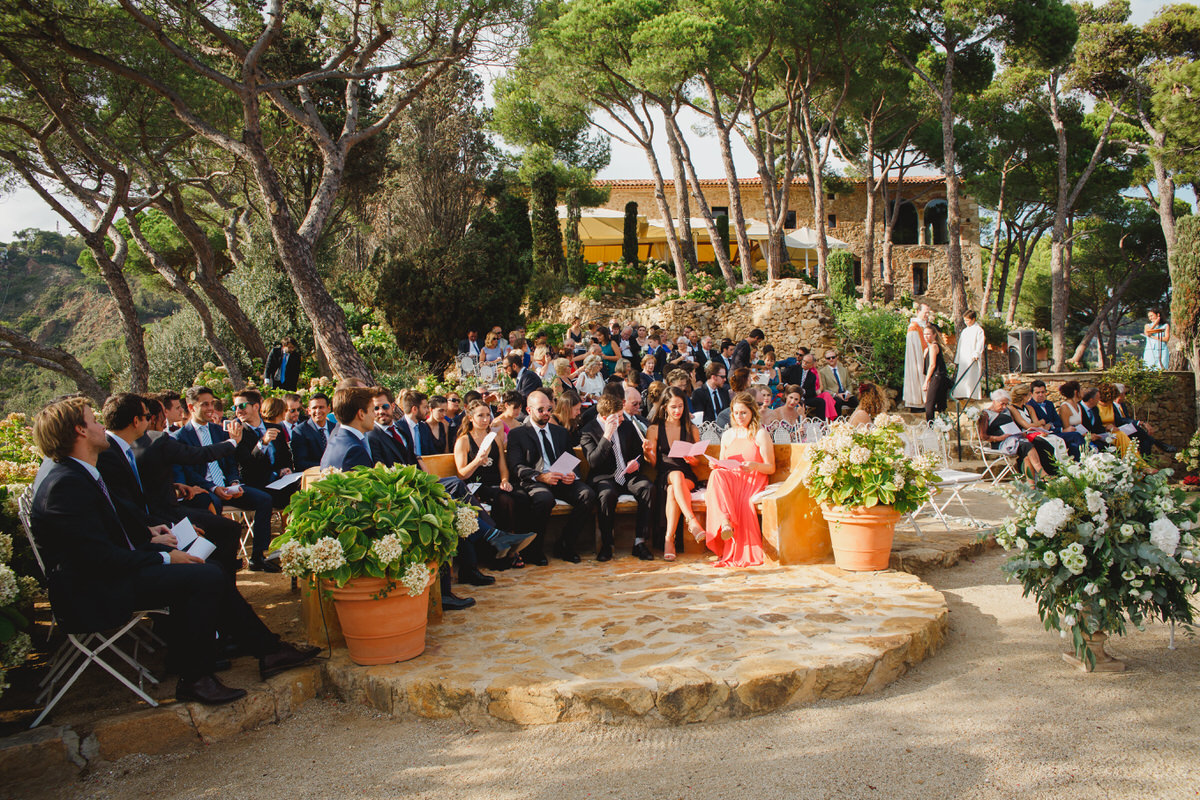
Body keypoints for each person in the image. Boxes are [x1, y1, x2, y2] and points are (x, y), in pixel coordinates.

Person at [30, 397, 319, 705]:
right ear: (80, 431)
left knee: (209, 570)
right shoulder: (66, 485)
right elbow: (97, 559)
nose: (102, 426)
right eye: (94, 420)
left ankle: (265, 651)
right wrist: (165, 557)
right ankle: (197, 676)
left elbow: (99, 535)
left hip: (105, 575)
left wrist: (150, 533)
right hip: (93, 593)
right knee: (204, 575)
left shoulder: (75, 472)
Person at [173, 387, 279, 572]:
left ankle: (258, 556)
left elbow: (231, 463)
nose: (210, 408)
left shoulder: (219, 431)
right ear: (191, 407)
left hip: (227, 486)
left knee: (264, 499)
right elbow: (189, 472)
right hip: (204, 490)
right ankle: (222, 559)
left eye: (212, 403)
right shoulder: (180, 437)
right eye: (204, 404)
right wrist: (213, 488)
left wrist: (234, 482)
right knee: (213, 504)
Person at [505, 389, 598, 564]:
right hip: (535, 481)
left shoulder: (560, 432)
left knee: (587, 495)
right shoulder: (518, 434)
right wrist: (540, 476)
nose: (546, 413)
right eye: (541, 410)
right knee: (544, 499)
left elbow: (571, 459)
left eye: (549, 409)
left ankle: (565, 544)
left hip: (561, 479)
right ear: (529, 410)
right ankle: (534, 549)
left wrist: (572, 474)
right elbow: (516, 466)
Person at [453, 400, 535, 569]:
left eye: (487, 415)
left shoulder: (495, 438)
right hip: (476, 484)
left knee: (522, 497)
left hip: (496, 482)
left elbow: (503, 467)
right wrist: (477, 461)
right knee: (505, 500)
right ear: (470, 417)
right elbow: (462, 473)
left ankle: (518, 545)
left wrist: (505, 480)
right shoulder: (464, 441)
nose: (485, 420)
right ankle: (502, 551)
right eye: (480, 416)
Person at [582, 393, 655, 562]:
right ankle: (607, 544)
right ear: (606, 418)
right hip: (605, 477)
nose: (623, 419)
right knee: (606, 495)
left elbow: (638, 453)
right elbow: (593, 461)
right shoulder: (588, 430)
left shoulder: (627, 426)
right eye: (619, 416)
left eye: (622, 415)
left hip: (628, 475)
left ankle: (640, 542)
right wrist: (607, 435)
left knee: (648, 488)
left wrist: (636, 462)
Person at [704, 392, 774, 567]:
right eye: (736, 413)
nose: (739, 417)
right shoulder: (727, 435)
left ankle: (728, 525)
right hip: (731, 478)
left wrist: (755, 465)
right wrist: (715, 465)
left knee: (739, 499)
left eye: (743, 413)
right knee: (715, 474)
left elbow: (770, 467)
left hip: (752, 479)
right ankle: (725, 522)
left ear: (752, 412)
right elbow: (722, 464)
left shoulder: (760, 434)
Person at [643, 386, 705, 560]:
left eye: (681, 406)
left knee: (674, 488)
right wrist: (647, 453)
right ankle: (691, 520)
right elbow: (654, 464)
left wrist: (693, 460)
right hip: (665, 474)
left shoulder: (691, 429)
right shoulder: (655, 429)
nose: (678, 410)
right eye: (673, 407)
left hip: (687, 475)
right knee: (675, 477)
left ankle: (669, 539)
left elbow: (698, 461)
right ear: (665, 407)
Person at [231, 388, 296, 503]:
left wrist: (287, 469)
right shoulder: (239, 434)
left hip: (282, 481)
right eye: (234, 408)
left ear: (256, 406)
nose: (238, 411)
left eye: (241, 406)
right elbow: (247, 468)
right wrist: (263, 443)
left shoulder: (275, 428)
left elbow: (286, 457)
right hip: (258, 485)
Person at [978, 389, 1050, 478]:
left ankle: (1032, 484)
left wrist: (1021, 433)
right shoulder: (986, 414)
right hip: (1000, 442)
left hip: (1015, 438)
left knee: (1031, 452)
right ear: (994, 401)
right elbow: (983, 436)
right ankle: (1042, 473)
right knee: (1027, 446)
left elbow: (1014, 426)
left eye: (1006, 404)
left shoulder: (1006, 411)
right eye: (1002, 404)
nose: (1004, 407)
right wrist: (1000, 438)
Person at [1026, 380, 1086, 460]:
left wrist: (1050, 425)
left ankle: (1080, 462)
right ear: (1031, 394)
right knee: (1076, 435)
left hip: (1056, 432)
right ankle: (1086, 458)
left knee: (1073, 445)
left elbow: (1058, 421)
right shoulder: (1029, 406)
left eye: (1043, 392)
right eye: (1038, 393)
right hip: (1044, 436)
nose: (1041, 395)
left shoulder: (1049, 404)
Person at [320, 387, 376, 470]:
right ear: (361, 414)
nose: (375, 415)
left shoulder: (335, 440)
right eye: (372, 410)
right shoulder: (355, 451)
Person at [1113, 383, 1176, 454]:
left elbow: (1127, 419)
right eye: (1124, 394)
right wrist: (1140, 423)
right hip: (1116, 430)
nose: (1125, 396)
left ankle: (1146, 457)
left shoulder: (1122, 405)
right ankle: (1159, 444)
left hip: (1126, 430)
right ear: (1119, 394)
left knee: (1146, 440)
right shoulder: (1111, 406)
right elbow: (1120, 420)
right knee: (1139, 430)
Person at [291, 393, 336, 470]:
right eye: (314, 408)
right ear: (309, 410)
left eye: (321, 407)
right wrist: (327, 467)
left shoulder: (335, 428)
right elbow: (300, 463)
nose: (318, 411)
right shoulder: (300, 431)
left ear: (328, 409)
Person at [952, 310, 986, 399]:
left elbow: (980, 343)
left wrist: (976, 354)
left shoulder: (979, 330)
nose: (966, 322)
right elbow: (960, 345)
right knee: (962, 376)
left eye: (967, 320)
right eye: (965, 320)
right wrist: (957, 358)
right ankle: (960, 394)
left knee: (971, 377)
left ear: (973, 319)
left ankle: (972, 395)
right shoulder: (964, 331)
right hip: (964, 358)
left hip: (972, 358)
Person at [903, 304, 931, 409]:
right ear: (918, 312)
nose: (927, 315)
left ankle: (926, 401)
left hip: (925, 356)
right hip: (917, 358)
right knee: (917, 376)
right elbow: (915, 346)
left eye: (928, 313)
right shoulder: (914, 327)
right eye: (925, 312)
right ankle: (917, 403)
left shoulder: (925, 325)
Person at [922, 325, 949, 422]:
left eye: (928, 334)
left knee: (929, 405)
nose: (926, 336)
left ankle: (930, 427)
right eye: (924, 334)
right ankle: (944, 426)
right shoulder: (929, 348)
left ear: (934, 335)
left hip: (937, 377)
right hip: (939, 378)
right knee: (941, 405)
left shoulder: (933, 346)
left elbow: (932, 365)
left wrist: (926, 382)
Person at [818, 350, 856, 417]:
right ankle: (836, 422)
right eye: (828, 358)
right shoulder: (822, 372)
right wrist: (837, 394)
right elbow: (824, 389)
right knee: (837, 402)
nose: (831, 359)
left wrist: (848, 393)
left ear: (837, 357)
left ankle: (855, 420)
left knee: (856, 401)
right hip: (834, 396)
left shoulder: (844, 370)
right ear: (826, 360)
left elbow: (849, 384)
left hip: (845, 394)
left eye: (833, 357)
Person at [799, 354, 836, 421]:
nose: (815, 363)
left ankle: (829, 418)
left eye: (816, 361)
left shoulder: (817, 371)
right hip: (811, 394)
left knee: (826, 395)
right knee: (825, 397)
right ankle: (827, 418)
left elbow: (821, 385)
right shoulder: (807, 371)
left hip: (817, 392)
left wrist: (819, 390)